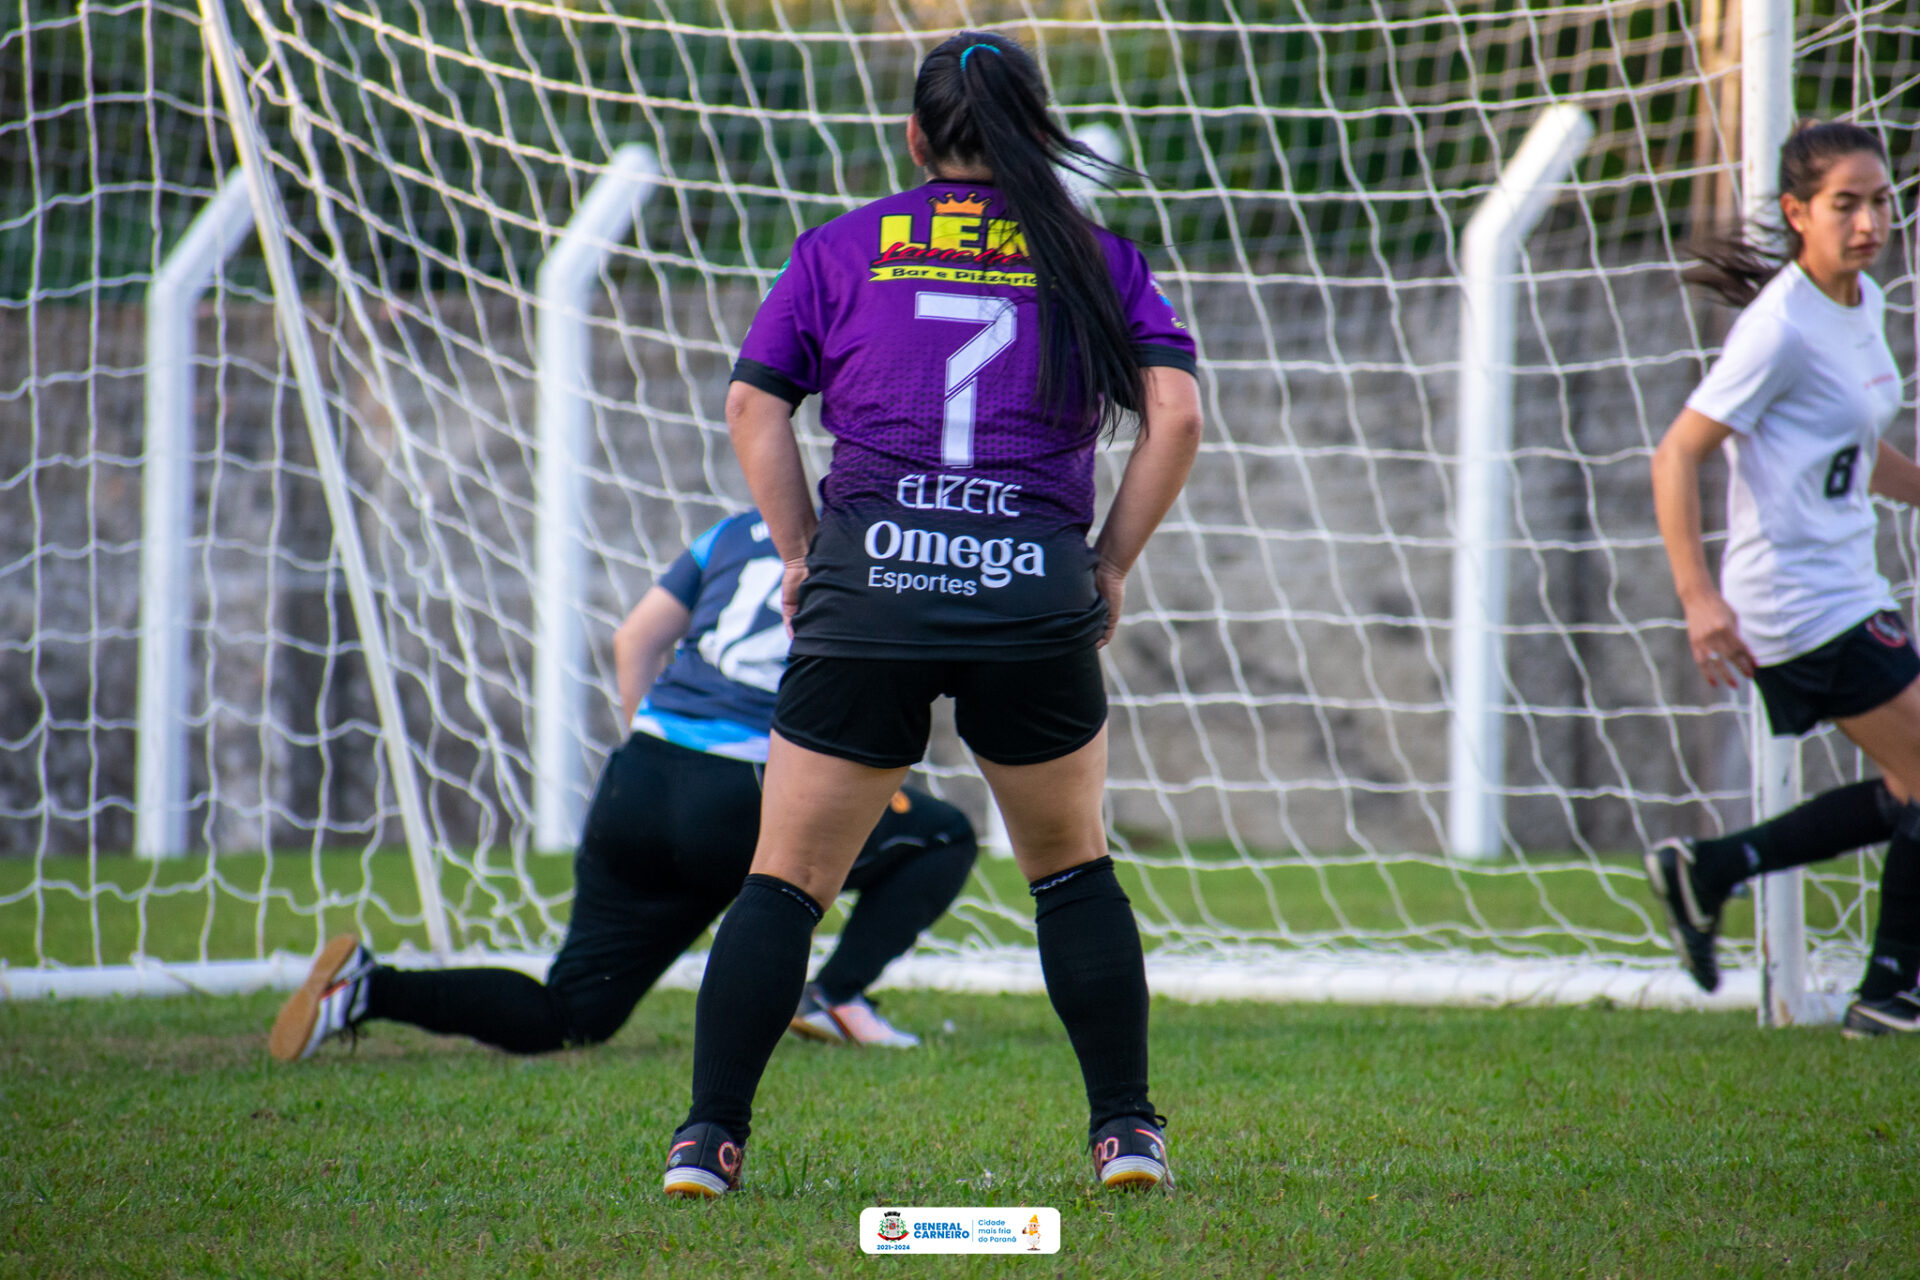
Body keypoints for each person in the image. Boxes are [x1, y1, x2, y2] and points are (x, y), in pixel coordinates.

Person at [660, 31, 1203, 1199]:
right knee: (1070, 870)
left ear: (914, 139)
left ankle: (707, 1141)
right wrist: (1106, 563)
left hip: (872, 594)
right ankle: (1126, 1132)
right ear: (1031, 128)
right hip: (1030, 597)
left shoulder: (844, 247)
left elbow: (753, 405)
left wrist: (803, 553)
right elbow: (1180, 416)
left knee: (785, 882)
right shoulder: (1094, 257)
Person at [268, 508, 978, 1064]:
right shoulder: (884, 549)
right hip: (749, 792)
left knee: (572, 1014)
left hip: (636, 781)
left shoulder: (733, 531)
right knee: (943, 835)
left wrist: (654, 742)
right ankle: (835, 994)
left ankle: (367, 987)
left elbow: (634, 639)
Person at [1646, 120, 1920, 1037]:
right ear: (1798, 213)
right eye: (1846, 204)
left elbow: (1852, 444)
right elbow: (1677, 454)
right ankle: (1888, 996)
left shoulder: (1863, 303)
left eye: (1880, 200)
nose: (1870, 221)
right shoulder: (1779, 331)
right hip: (1794, 598)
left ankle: (1712, 869)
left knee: (1907, 784)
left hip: (1848, 582)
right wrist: (1698, 599)